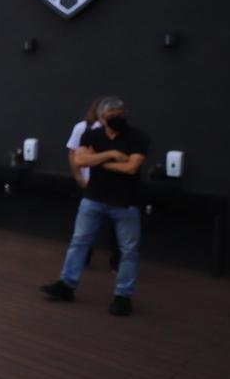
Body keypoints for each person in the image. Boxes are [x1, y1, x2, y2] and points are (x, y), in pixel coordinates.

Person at [40, 96, 149, 317]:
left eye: (119, 114)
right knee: (79, 242)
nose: (116, 118)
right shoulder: (91, 134)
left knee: (128, 251)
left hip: (125, 203)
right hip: (93, 199)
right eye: (111, 115)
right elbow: (79, 161)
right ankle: (67, 285)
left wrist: (97, 160)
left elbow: (131, 167)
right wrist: (110, 155)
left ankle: (123, 296)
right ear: (102, 117)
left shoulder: (137, 137)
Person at [66, 97, 120, 271]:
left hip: (112, 185)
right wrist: (78, 177)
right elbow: (72, 154)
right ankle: (83, 258)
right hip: (89, 184)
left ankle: (116, 261)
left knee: (115, 225)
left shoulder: (117, 131)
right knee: (84, 227)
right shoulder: (82, 128)